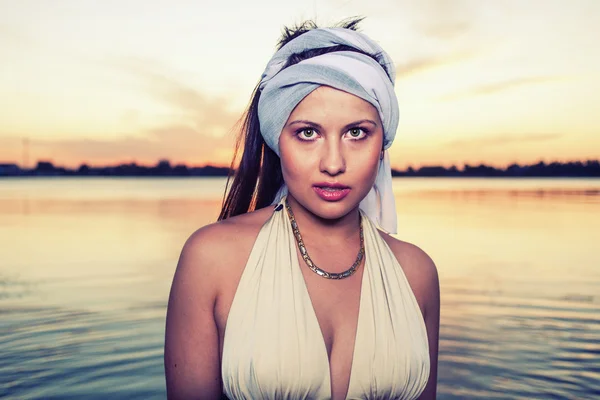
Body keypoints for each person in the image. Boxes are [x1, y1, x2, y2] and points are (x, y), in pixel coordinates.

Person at [165, 17, 440, 400]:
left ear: (383, 144)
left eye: (356, 132)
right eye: (308, 133)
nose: (333, 163)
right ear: (279, 141)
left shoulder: (417, 273)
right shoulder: (211, 259)